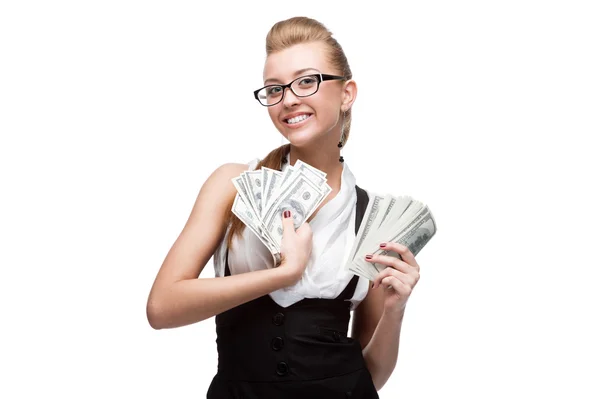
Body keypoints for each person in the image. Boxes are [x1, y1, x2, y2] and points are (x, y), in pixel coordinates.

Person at [146, 16, 421, 399]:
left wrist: (395, 309)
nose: (288, 99)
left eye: (306, 81)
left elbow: (371, 373)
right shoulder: (232, 186)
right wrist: (283, 273)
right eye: (274, 89)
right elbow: (161, 308)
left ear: (346, 93)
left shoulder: (372, 218)